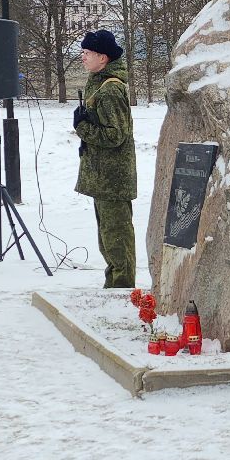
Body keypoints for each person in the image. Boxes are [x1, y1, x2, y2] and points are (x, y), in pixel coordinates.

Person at [72, 29, 137, 289]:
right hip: (104, 178)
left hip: (113, 181)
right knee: (108, 241)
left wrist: (82, 127)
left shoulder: (110, 89)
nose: (83, 58)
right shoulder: (99, 82)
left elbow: (116, 135)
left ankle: (122, 292)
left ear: (103, 57)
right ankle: (114, 288)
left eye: (87, 53)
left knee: (117, 241)